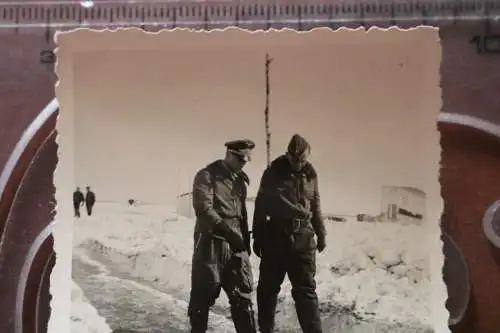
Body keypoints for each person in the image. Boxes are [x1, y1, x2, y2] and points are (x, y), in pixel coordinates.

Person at [252, 134, 327, 333]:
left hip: (303, 240)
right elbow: (261, 205)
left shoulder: (311, 174)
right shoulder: (273, 172)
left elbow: (316, 205)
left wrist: (321, 234)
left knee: (306, 293)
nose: (299, 164)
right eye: (295, 159)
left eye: (303, 160)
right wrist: (257, 236)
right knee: (267, 291)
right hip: (276, 238)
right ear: (288, 155)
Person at [187, 139, 258, 333]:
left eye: (246, 161)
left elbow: (241, 213)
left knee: (243, 296)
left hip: (235, 246)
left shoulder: (240, 181)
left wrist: (245, 240)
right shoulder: (207, 176)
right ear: (229, 155)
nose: (244, 163)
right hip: (211, 244)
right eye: (240, 159)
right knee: (203, 296)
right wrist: (228, 233)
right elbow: (204, 209)